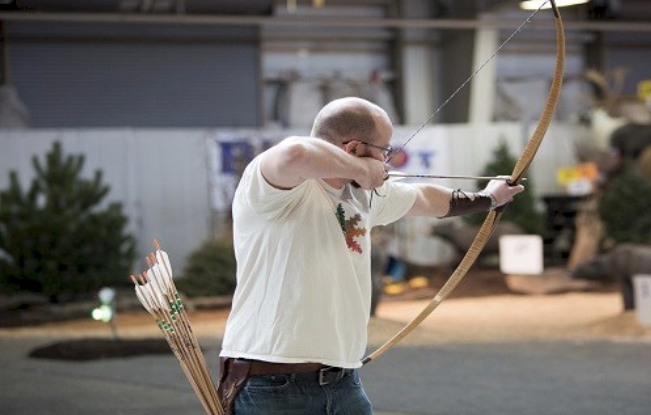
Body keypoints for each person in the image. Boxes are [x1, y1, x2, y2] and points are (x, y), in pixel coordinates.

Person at [217, 96, 525, 415]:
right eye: (384, 150)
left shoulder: (362, 195)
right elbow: (296, 154)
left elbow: (424, 198)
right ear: (353, 148)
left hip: (342, 383)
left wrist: (488, 198)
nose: (385, 160)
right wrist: (362, 169)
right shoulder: (276, 188)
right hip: (271, 383)